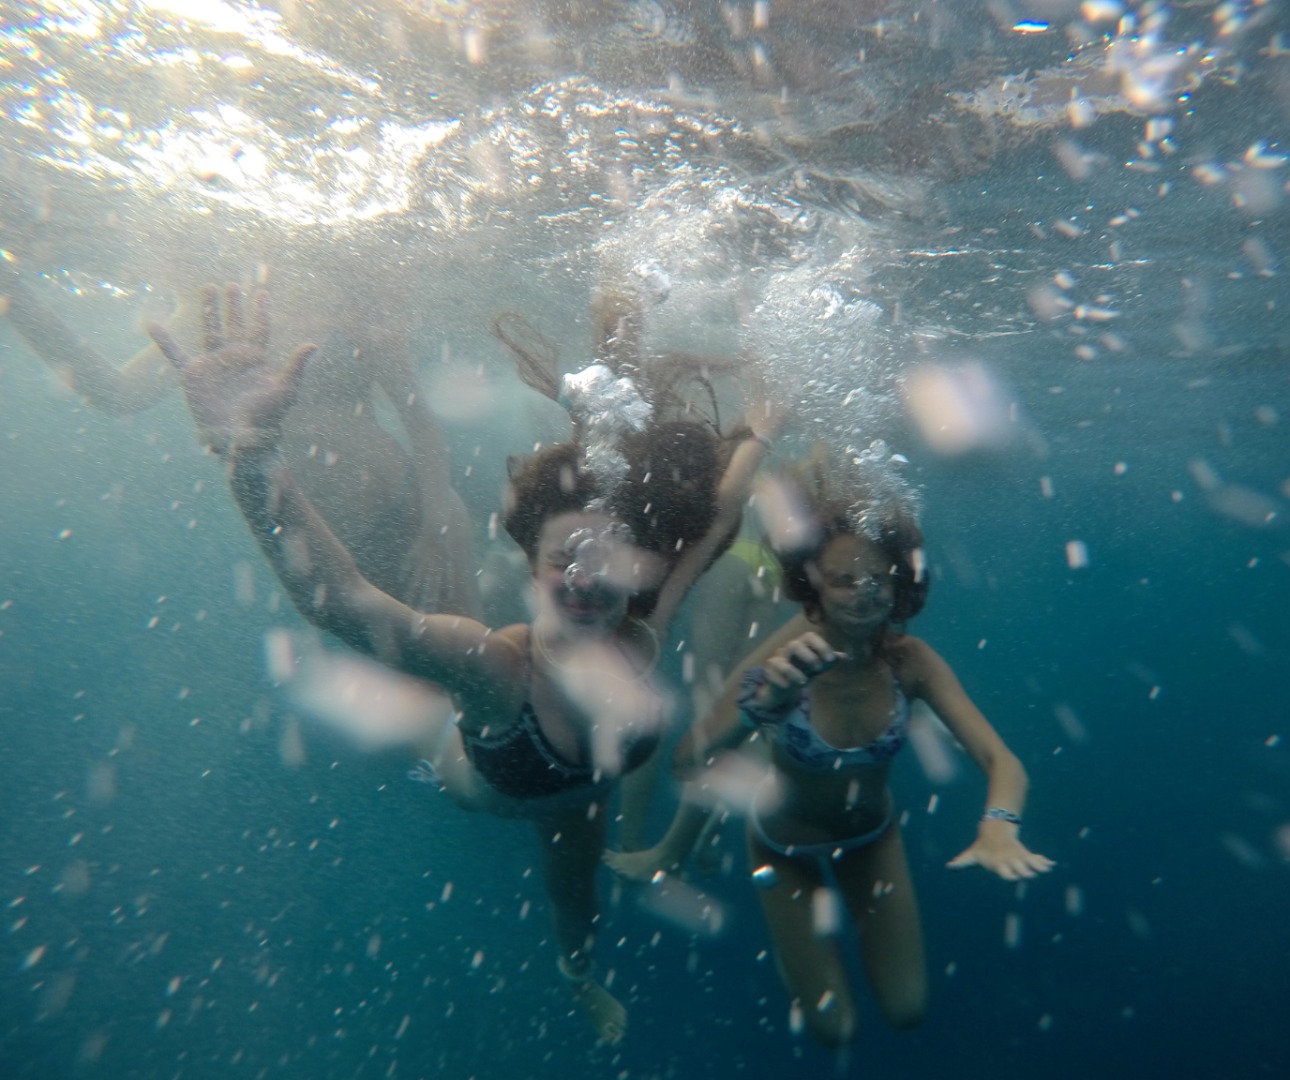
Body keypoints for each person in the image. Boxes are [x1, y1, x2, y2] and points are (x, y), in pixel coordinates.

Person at [147, 283, 781, 1044]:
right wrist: (252, 453)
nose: (586, 578)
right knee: (419, 700)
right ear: (533, 568)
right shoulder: (493, 668)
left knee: (578, 904)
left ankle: (578, 979)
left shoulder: (642, 627)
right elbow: (341, 600)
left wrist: (764, 425)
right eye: (565, 559)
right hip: (475, 772)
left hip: (576, 801)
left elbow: (717, 516)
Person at [608, 459, 1054, 1047]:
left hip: (872, 839)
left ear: (901, 584)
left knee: (908, 1010)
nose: (863, 596)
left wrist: (999, 825)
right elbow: (687, 762)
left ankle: (779, 929)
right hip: (782, 846)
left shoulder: (910, 662)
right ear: (812, 581)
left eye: (879, 580)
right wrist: (761, 707)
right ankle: (768, 934)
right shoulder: (781, 658)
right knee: (833, 1029)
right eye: (843, 580)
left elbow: (1003, 762)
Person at [0, 264, 480, 618]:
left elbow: (422, 426)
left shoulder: (359, 318)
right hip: (326, 535)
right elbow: (117, 393)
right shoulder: (215, 318)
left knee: (465, 664)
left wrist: (435, 530)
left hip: (413, 513)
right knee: (402, 678)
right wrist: (15, 295)